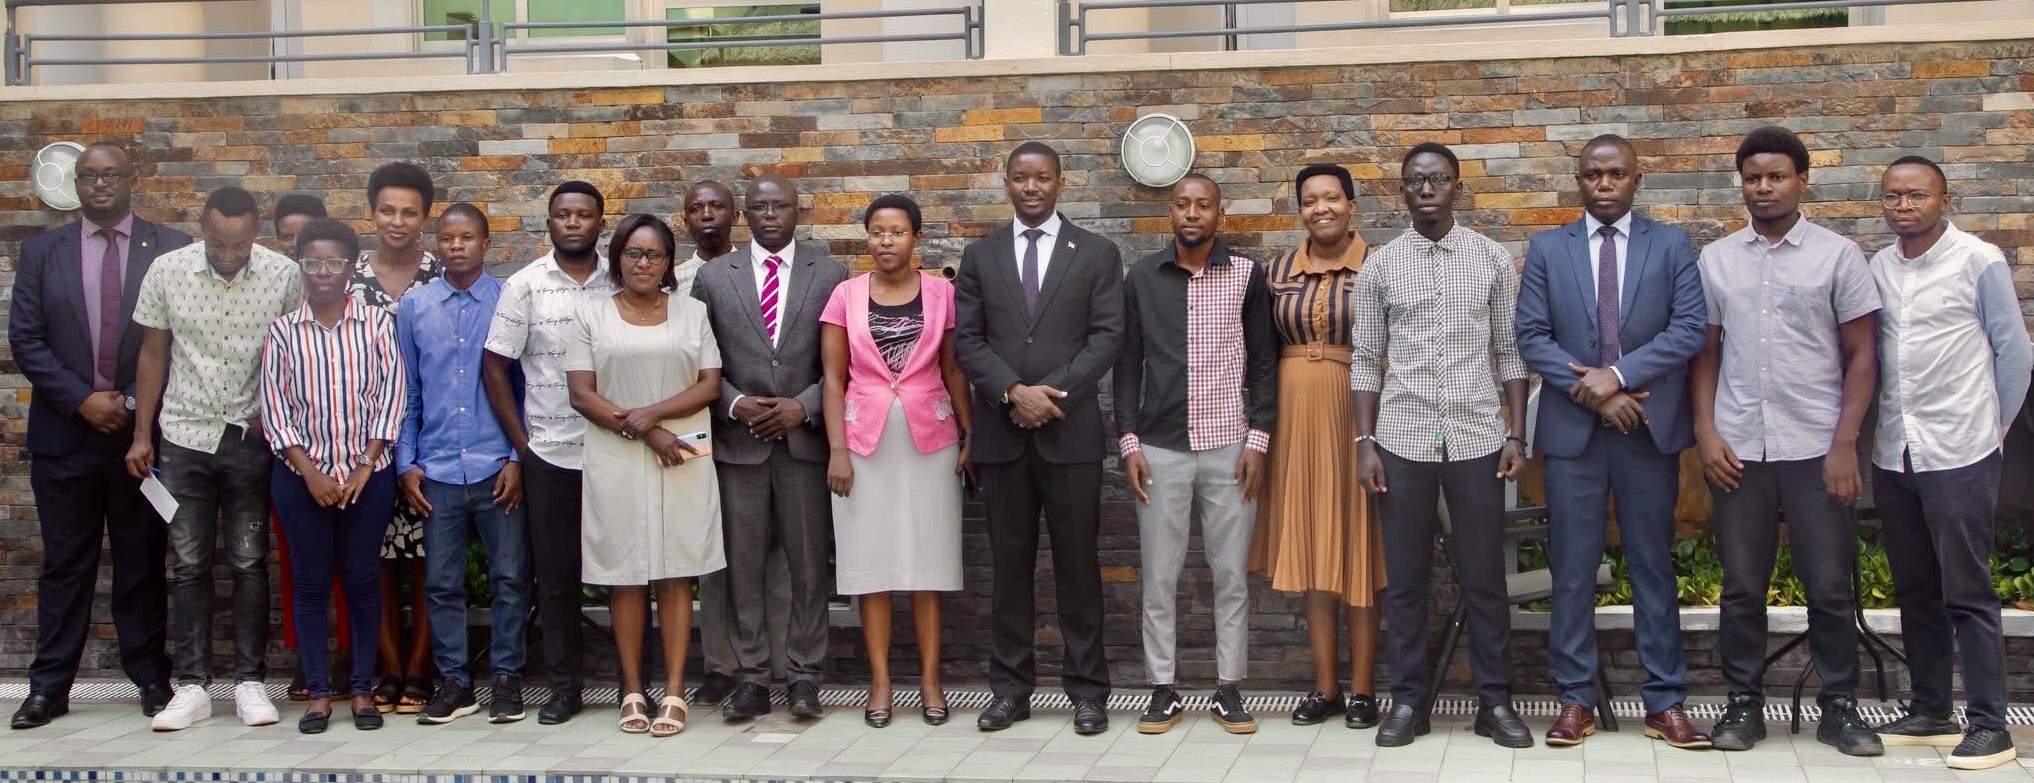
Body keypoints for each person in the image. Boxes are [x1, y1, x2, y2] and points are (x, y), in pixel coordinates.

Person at [1514, 135, 1711, 749]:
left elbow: (1690, 329)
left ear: (1636, 180)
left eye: (1616, 174)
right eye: (1593, 174)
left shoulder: (1671, 244)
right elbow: (1532, 334)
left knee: (1652, 566)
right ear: (1579, 180)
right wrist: (1601, 392)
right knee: (1572, 570)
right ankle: (1576, 701)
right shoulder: (1548, 247)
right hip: (1574, 437)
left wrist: (1621, 376)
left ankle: (1664, 701)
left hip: (1647, 434)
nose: (1604, 184)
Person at [1692, 126, 1883, 756]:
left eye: (1776, 176)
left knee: (1829, 584)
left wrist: (1844, 444)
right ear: (1740, 184)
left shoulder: (1839, 256)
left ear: (1802, 180)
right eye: (1753, 177)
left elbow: (1862, 356)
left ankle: (1840, 708)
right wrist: (1707, 431)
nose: (1764, 187)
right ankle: (1743, 705)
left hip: (1816, 447)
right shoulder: (1717, 259)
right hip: (1740, 447)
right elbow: (1706, 357)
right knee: (1742, 584)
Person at [1351, 143, 1531, 749]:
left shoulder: (1489, 260)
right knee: (1406, 580)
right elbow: (1366, 362)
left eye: (1438, 179)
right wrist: (1365, 442)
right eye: (1414, 181)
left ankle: (1495, 703)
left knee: (1484, 577)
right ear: (1401, 193)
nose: (1426, 189)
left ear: (1457, 186)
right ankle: (1408, 702)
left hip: (1479, 436)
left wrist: (1515, 433)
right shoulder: (1379, 266)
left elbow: (1510, 354)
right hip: (1401, 439)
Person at [7, 142, 187, 730]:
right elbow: (26, 339)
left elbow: (177, 343)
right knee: (65, 564)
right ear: (76, 184)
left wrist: (132, 409)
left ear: (133, 180)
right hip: (66, 436)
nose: (100, 184)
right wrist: (82, 401)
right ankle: (50, 686)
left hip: (140, 438)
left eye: (111, 175)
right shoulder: (41, 251)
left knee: (140, 562)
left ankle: (152, 679)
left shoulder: (170, 247)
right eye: (89, 176)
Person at [1865, 156, 2031, 770]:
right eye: (1892, 196)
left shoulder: (1978, 260)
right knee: (1916, 588)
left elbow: (2014, 354)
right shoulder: (1879, 266)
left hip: (1961, 447)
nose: (1903, 206)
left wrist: (1991, 432)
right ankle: (1932, 708)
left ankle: (1991, 724)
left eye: (1917, 195)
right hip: (1895, 451)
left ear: (1945, 200)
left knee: (1968, 591)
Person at [954, 141, 1123, 736]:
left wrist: (1046, 395)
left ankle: (1088, 691)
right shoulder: (981, 255)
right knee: (1009, 570)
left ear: (1060, 182)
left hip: (1069, 435)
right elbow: (967, 342)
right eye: (1021, 178)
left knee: (1079, 569)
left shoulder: (1097, 253)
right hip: (1002, 439)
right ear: (1006, 183)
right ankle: (1010, 690)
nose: (1031, 187)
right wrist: (1010, 393)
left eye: (1042, 178)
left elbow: (1106, 338)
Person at [127, 186, 303, 731]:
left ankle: (251, 682)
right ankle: (193, 685)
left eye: (239, 244)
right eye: (218, 243)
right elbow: (153, 352)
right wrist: (141, 434)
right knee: (188, 565)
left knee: (250, 561)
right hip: (182, 436)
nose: (228, 255)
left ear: (256, 233)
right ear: (202, 226)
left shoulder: (283, 275)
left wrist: (273, 413)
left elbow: (296, 353)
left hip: (250, 439)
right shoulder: (167, 270)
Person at [1116, 174, 1276, 736]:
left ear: (1219, 215)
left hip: (1231, 446)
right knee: (1160, 575)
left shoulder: (1247, 276)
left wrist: (1259, 440)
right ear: (1170, 213)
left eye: (1202, 205)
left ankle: (1229, 689)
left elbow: (1263, 362)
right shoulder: (1141, 277)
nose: (1192, 213)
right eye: (1182, 204)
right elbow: (1127, 364)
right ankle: (1163, 689)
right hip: (1160, 449)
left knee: (1230, 573)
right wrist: (1129, 442)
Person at [691, 174, 848, 721]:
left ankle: (805, 676)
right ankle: (753, 676)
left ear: (798, 211)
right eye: (759, 207)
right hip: (741, 445)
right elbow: (700, 358)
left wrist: (803, 406)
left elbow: (841, 360)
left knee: (809, 567)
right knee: (744, 567)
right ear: (744, 215)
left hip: (805, 445)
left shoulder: (830, 274)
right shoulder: (713, 277)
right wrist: (735, 404)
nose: (771, 214)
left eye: (781, 205)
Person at [567, 214, 725, 737]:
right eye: (633, 253)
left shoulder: (692, 311)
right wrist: (645, 430)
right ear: (617, 258)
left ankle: (676, 691)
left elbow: (708, 385)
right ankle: (633, 690)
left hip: (682, 452)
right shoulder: (591, 315)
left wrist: (655, 417)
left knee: (678, 573)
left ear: (667, 262)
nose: (643, 263)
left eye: (654, 255)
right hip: (617, 456)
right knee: (627, 575)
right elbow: (582, 394)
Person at [820, 195, 969, 728]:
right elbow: (833, 381)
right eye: (877, 232)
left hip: (931, 442)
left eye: (898, 232)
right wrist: (837, 450)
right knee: (871, 567)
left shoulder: (943, 293)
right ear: (868, 238)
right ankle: (880, 683)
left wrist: (970, 433)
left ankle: (931, 682)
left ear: (916, 239)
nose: (886, 241)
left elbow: (955, 371)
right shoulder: (844, 295)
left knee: (928, 566)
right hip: (862, 447)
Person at [1249, 163, 1384, 730]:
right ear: (1299, 208)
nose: (1320, 207)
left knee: (1359, 544)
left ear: (1351, 204)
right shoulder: (1275, 270)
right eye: (1309, 200)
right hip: (1294, 418)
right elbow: (1258, 352)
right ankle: (1324, 684)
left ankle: (1363, 690)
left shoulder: (1382, 265)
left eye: (1332, 197)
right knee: (1308, 546)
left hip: (1358, 411)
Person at [259, 217, 404, 734]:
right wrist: (311, 473)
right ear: (301, 267)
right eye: (313, 262)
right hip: (302, 481)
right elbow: (275, 411)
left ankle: (362, 689)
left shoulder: (377, 325)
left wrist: (365, 464)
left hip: (368, 477)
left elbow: (391, 399)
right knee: (310, 584)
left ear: (349, 267)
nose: (323, 272)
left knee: (363, 581)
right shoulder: (282, 332)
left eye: (334, 262)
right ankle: (319, 693)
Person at [482, 180, 616, 725]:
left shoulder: (622, 279)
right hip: (552, 455)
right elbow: (496, 366)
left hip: (617, 452)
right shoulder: (525, 285)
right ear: (550, 223)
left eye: (584, 215)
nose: (573, 223)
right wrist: (523, 447)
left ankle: (636, 682)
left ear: (599, 223)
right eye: (564, 215)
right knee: (556, 578)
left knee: (631, 573)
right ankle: (565, 688)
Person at [397, 203, 530, 726]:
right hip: (437, 471)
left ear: (486, 242)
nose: (457, 246)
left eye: (468, 238)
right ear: (437, 244)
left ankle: (507, 680)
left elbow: (524, 388)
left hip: (498, 465)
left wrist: (519, 456)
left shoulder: (508, 300)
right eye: (448, 238)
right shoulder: (415, 305)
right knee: (442, 583)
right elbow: (407, 387)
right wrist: (406, 462)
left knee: (512, 577)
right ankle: (455, 682)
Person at [683, 180, 795, 708]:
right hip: (721, 432)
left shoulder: (797, 270)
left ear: (734, 215)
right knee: (723, 557)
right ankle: (724, 666)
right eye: (696, 208)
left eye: (717, 207)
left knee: (777, 560)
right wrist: (731, 404)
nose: (707, 215)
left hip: (788, 436)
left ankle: (779, 666)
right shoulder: (681, 275)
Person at [355, 162, 443, 714]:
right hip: (362, 441)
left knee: (428, 558)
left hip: (427, 435)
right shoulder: (349, 275)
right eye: (388, 209)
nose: (398, 220)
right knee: (376, 559)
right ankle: (387, 669)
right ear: (371, 212)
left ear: (425, 217)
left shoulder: (440, 273)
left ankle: (421, 669)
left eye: (410, 211)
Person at [267, 191, 343, 705]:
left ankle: (350, 665)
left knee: (352, 571)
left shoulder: (349, 301)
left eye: (309, 235)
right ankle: (308, 660)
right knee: (299, 565)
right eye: (292, 237)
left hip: (354, 462)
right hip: (287, 455)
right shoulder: (273, 294)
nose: (303, 249)